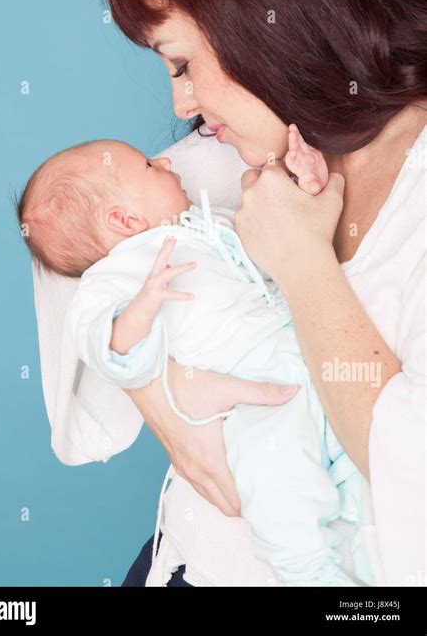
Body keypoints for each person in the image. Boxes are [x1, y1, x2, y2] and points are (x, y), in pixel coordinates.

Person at [94, 0, 426, 586]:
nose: (180, 100)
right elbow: (77, 260)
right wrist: (163, 394)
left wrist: (304, 264)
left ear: (264, 14)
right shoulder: (228, 156)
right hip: (182, 557)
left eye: (182, 64)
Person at [19, 129, 372, 585]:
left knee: (359, 470)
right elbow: (102, 344)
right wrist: (141, 309)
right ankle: (309, 571)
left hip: (301, 357)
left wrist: (306, 186)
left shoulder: (209, 222)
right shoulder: (114, 277)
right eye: (150, 167)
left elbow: (283, 249)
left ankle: (369, 567)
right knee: (279, 479)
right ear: (124, 220)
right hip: (246, 392)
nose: (166, 164)